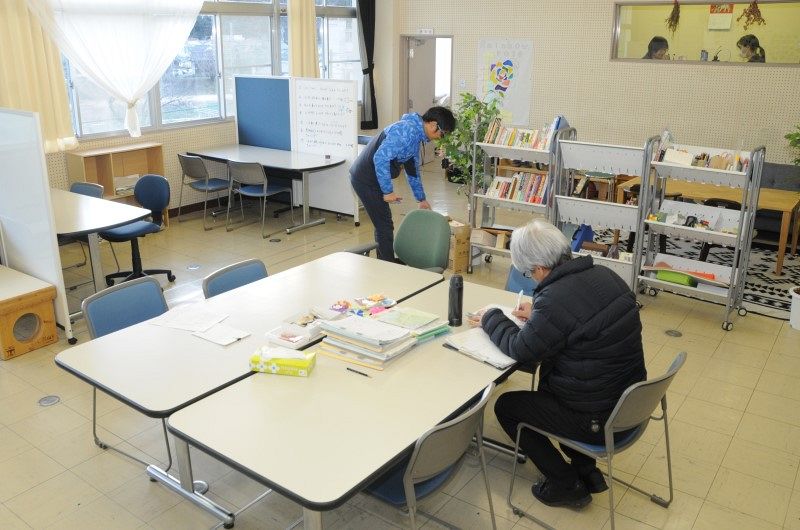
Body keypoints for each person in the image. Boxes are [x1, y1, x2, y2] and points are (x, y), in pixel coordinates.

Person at [468, 220, 646, 509]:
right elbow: (579, 317)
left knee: (508, 407)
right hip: (628, 403)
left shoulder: (556, 299)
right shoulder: (605, 275)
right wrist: (539, 313)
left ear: (538, 268)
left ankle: (566, 484)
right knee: (559, 393)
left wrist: (491, 317)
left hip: (598, 420)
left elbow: (520, 350)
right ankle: (588, 472)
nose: (531, 278)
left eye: (528, 273)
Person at [349, 107, 456, 261]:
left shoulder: (415, 134)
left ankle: (385, 261)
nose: (441, 137)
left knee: (383, 223)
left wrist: (421, 199)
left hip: (373, 177)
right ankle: (387, 265)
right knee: (384, 224)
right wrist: (387, 191)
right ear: (433, 125)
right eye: (442, 133)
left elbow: (412, 169)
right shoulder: (406, 132)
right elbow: (380, 158)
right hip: (365, 179)